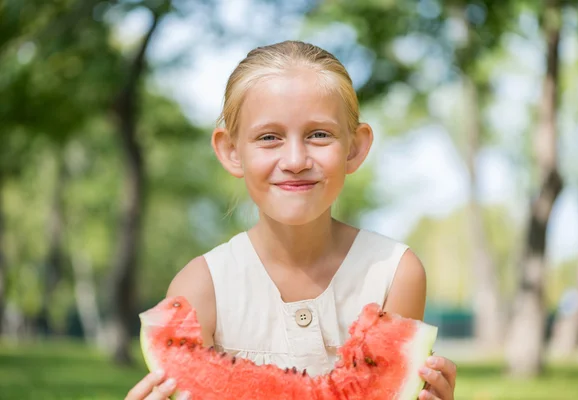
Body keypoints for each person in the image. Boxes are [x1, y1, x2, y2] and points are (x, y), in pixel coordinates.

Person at [125, 40, 457, 400]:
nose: (296, 159)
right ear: (231, 151)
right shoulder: (201, 288)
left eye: (319, 135)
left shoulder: (395, 273)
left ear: (355, 147)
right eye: (270, 137)